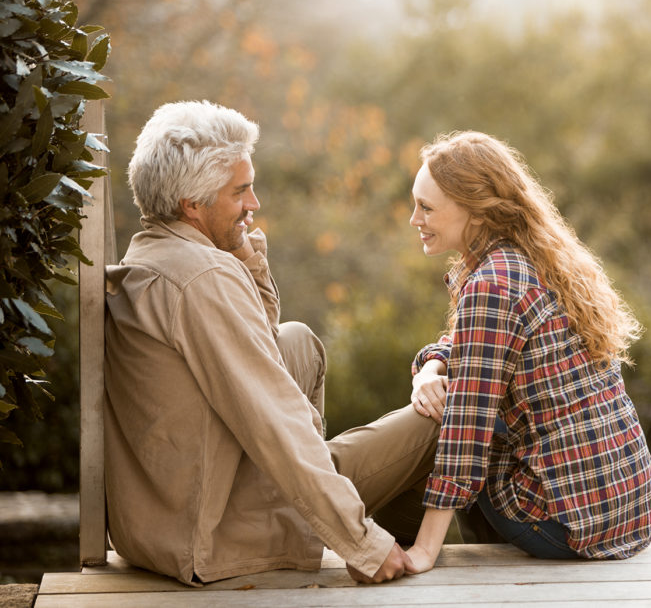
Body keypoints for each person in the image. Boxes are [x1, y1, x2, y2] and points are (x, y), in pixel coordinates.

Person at [104, 100, 437, 586]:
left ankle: (339, 510)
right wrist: (360, 541)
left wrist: (241, 252)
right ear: (191, 205)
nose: (254, 204)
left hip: (158, 525)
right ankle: (396, 552)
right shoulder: (202, 279)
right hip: (211, 536)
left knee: (298, 342)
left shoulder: (154, 253)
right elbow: (273, 417)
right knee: (442, 420)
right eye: (240, 191)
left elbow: (256, 344)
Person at [402, 131, 651, 571]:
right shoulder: (537, 257)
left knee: (446, 417)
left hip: (567, 525)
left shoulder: (490, 284)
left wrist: (423, 551)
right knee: (451, 392)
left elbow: (467, 426)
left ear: (475, 209)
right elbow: (478, 345)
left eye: (426, 207)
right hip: (630, 511)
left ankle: (430, 549)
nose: (414, 219)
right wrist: (433, 363)